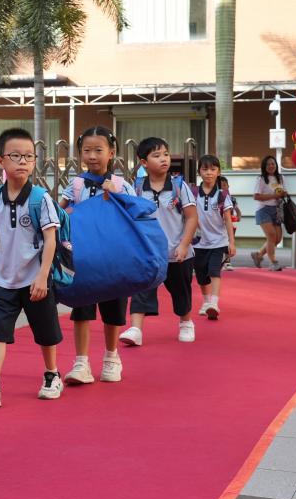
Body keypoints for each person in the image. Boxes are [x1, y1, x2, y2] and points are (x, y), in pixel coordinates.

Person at [0, 128, 63, 407]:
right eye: (16, 155)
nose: (23, 161)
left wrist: (43, 276)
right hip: (3, 279)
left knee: (45, 331)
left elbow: (51, 238)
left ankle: (52, 374)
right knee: (0, 329)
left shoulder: (40, 198)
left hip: (35, 279)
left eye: (29, 156)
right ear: (0, 161)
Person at [60, 126, 134, 385]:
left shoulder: (123, 185)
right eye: (87, 150)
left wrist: (117, 195)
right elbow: (58, 212)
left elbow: (135, 215)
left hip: (113, 258)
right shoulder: (75, 184)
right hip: (83, 258)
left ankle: (111, 357)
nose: (92, 156)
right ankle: (81, 362)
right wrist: (66, 214)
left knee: (113, 310)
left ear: (111, 153)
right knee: (81, 309)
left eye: (98, 150)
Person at [121, 137, 199, 346]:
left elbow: (192, 217)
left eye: (165, 154)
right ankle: (136, 329)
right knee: (140, 290)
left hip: (177, 253)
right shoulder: (136, 188)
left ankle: (186, 322)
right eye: (156, 156)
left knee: (181, 291)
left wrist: (184, 245)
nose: (164, 159)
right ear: (143, 162)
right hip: (148, 253)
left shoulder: (179, 186)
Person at [193, 155, 236, 320]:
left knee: (214, 271)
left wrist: (231, 242)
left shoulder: (223, 195)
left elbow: (228, 220)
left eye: (213, 169)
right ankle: (206, 301)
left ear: (219, 172)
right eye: (205, 169)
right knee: (201, 275)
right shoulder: (193, 193)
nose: (209, 173)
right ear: (199, 172)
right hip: (198, 243)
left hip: (218, 242)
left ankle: (214, 303)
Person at [251, 154, 286, 271]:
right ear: (264, 167)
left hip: (277, 210)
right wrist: (274, 196)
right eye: (268, 164)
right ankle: (273, 262)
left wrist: (283, 194)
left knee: (277, 239)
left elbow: (282, 192)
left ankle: (258, 255)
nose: (271, 166)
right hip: (263, 209)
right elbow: (256, 196)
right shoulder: (261, 179)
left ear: (276, 165)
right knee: (271, 235)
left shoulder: (280, 178)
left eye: (273, 163)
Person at [218, 176, 240, 271]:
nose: (222, 187)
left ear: (228, 186)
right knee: (221, 242)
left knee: (229, 242)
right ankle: (220, 261)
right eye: (220, 186)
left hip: (230, 223)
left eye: (224, 185)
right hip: (220, 224)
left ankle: (227, 261)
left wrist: (238, 216)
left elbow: (237, 209)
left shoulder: (232, 198)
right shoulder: (216, 197)